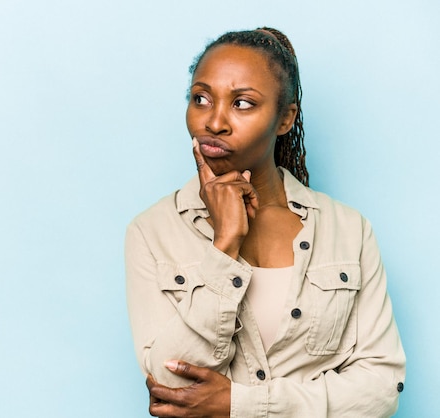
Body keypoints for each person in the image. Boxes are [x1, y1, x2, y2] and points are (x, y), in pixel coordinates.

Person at [125, 27, 406, 417]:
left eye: (242, 103)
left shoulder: (348, 230)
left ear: (285, 119)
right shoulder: (152, 232)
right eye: (201, 98)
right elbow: (170, 389)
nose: (215, 121)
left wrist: (242, 405)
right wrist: (224, 245)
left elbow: (380, 388)